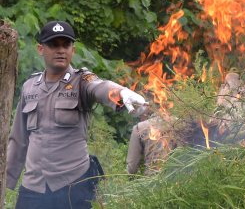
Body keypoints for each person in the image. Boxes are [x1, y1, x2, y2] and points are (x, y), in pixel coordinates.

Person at [5, 20, 147, 209]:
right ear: (41, 49)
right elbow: (19, 139)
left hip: (72, 184)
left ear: (73, 50)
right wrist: (6, 181)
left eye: (66, 44)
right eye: (54, 45)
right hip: (34, 186)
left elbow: (100, 87)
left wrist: (121, 93)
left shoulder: (82, 81)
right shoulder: (30, 87)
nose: (61, 50)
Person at [126, 110, 174, 176]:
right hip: (179, 181)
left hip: (152, 179)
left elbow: (132, 168)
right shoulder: (182, 125)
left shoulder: (139, 128)